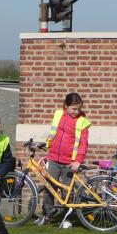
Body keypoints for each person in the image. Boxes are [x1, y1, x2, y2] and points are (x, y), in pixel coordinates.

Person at [36, 92, 91, 226]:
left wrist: (78, 160)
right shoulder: (58, 114)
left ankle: (67, 218)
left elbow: (83, 144)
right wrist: (46, 143)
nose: (76, 112)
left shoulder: (82, 122)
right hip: (53, 158)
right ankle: (47, 215)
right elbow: (54, 132)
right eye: (74, 108)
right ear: (66, 105)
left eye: (79, 109)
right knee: (50, 188)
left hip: (69, 162)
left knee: (68, 191)